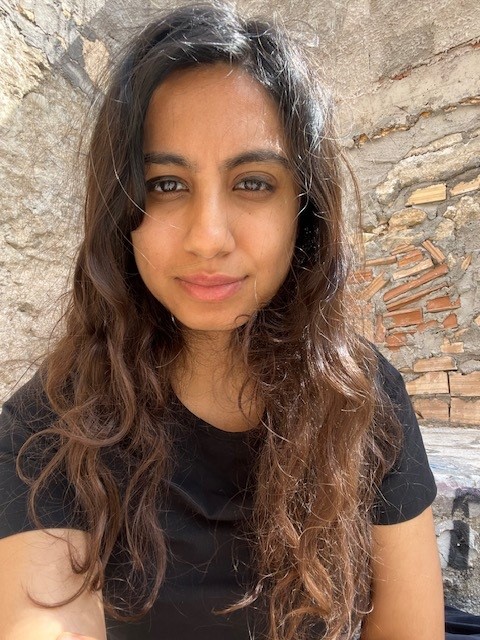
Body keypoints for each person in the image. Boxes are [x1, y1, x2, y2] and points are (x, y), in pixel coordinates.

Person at [0, 3, 444, 639]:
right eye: (166, 184)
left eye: (253, 183)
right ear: (121, 212)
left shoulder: (363, 399)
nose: (208, 237)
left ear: (303, 211)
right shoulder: (48, 429)